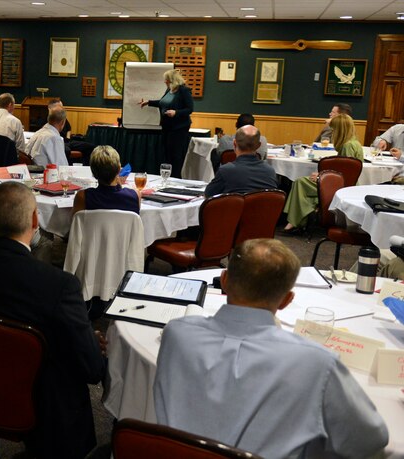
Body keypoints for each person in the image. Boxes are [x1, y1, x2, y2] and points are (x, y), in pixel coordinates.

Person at [154, 238, 388, 459]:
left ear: (224, 281)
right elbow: (369, 439)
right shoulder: (317, 363)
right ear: (287, 300)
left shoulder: (177, 333)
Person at [0, 181, 107, 459]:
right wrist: (89, 343)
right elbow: (92, 370)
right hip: (41, 406)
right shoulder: (60, 285)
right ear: (35, 220)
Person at [284, 114, 363, 231]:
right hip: (349, 182)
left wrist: (322, 175)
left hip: (340, 184)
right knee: (304, 182)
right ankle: (298, 218)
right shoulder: (354, 143)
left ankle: (295, 220)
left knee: (300, 182)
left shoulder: (347, 146)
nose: (332, 132)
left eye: (334, 129)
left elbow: (343, 174)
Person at [139, 69, 194, 177]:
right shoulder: (169, 90)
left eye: (167, 80)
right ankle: (167, 177)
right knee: (167, 154)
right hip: (167, 127)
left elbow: (190, 109)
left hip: (179, 128)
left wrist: (176, 112)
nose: (165, 82)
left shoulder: (183, 90)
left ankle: (176, 178)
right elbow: (162, 102)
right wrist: (148, 102)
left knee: (175, 156)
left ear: (173, 80)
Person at [205, 125, 278, 197]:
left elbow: (208, 195)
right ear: (259, 145)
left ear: (234, 143)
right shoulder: (270, 172)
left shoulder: (225, 171)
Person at [72, 145, 140, 215]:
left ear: (93, 172)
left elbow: (75, 223)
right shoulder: (135, 195)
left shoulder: (82, 196)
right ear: (119, 169)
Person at [48, 99, 96, 165]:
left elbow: (68, 128)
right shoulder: (49, 120)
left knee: (90, 146)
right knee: (67, 150)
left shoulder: (61, 117)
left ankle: (87, 167)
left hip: (67, 141)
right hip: (59, 142)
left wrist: (68, 137)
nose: (62, 109)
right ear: (51, 108)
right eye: (60, 107)